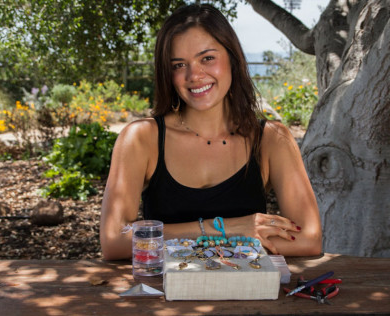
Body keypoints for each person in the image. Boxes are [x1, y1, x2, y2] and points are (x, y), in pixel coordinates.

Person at [100, 4, 322, 260]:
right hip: (163, 296)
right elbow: (114, 240)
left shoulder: (272, 139)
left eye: (207, 58)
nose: (194, 75)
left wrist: (170, 241)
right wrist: (227, 229)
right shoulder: (141, 139)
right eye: (179, 65)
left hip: (250, 296)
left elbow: (309, 238)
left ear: (233, 59)